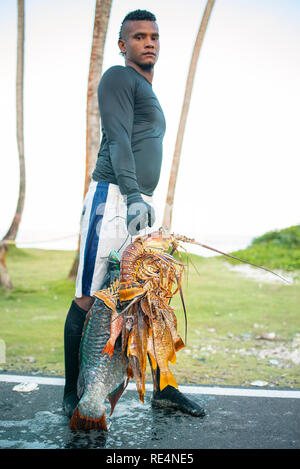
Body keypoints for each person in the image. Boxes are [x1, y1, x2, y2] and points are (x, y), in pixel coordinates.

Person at [63, 9, 205, 419]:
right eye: (139, 36)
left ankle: (164, 388)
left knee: (151, 300)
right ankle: (74, 397)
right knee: (90, 298)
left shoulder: (147, 89)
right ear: (122, 45)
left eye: (154, 37)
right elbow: (118, 139)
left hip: (139, 199)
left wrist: (143, 197)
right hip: (113, 199)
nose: (149, 42)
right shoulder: (118, 78)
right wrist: (131, 194)